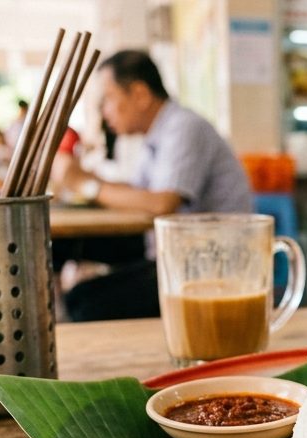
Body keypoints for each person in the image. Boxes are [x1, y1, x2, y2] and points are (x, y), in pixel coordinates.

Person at [51, 50, 253, 321]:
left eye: (108, 99)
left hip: (206, 263)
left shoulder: (184, 127)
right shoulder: (156, 134)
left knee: (83, 300)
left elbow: (161, 203)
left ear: (140, 94)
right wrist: (86, 178)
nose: (104, 111)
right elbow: (139, 193)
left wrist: (87, 185)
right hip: (167, 247)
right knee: (60, 243)